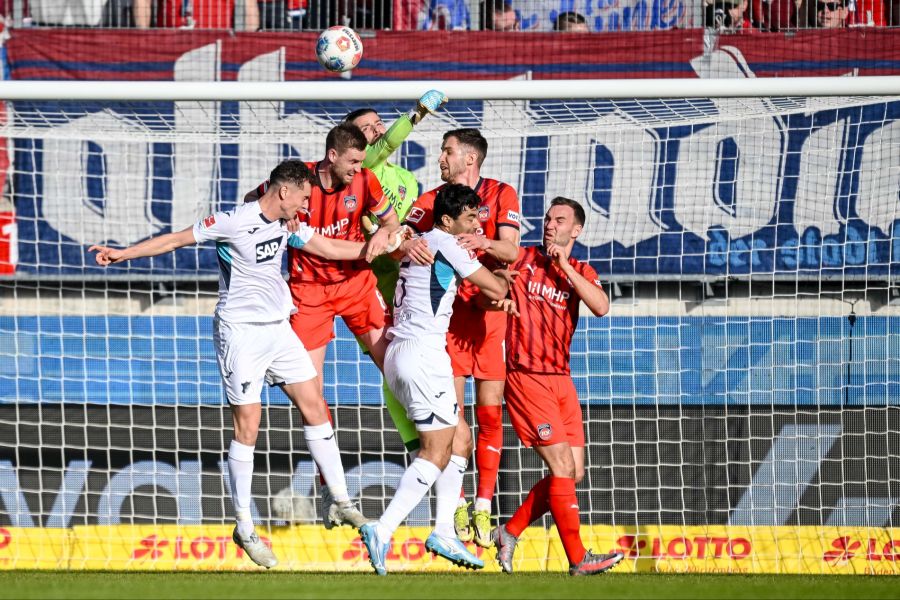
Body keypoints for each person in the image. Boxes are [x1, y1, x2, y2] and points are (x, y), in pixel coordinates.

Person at [89, 160, 385, 569]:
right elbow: (176, 239)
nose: (305, 205)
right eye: (302, 197)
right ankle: (245, 526)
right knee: (249, 424)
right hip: (241, 334)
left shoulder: (289, 225)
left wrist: (380, 247)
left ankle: (339, 500)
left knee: (315, 403)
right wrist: (124, 253)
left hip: (279, 330)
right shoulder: (232, 221)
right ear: (284, 192)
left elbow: (330, 247)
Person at [245, 124, 399, 527]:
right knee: (309, 393)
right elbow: (254, 202)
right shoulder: (300, 184)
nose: (359, 167)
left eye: (361, 161)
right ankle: (331, 488)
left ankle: (428, 451)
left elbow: (392, 223)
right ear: (332, 156)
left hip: (356, 286)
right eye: (353, 160)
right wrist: (281, 218)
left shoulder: (364, 182)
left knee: (399, 367)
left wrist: (385, 232)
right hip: (309, 294)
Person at [359, 184, 509, 575]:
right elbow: (494, 287)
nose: (476, 226)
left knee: (460, 436)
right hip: (423, 353)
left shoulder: (421, 241)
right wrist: (500, 270)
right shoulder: (445, 242)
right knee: (435, 449)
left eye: (479, 218)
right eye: (470, 219)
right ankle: (383, 527)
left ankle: (444, 529)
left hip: (405, 351)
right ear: (447, 220)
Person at [488, 197, 625, 576]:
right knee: (562, 466)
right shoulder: (521, 257)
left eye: (559, 220)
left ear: (576, 230)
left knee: (573, 472)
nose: (550, 225)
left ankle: (509, 530)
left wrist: (565, 266)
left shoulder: (580, 268)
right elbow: (487, 281)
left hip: (562, 379)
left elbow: (601, 306)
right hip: (526, 376)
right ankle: (579, 559)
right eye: (548, 219)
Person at [401, 128, 521, 548]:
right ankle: (456, 503)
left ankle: (484, 508)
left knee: (490, 412)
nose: (440, 158)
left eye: (447, 151)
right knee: (453, 421)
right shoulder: (432, 200)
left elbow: (512, 253)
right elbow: (399, 235)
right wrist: (410, 240)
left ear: (469, 158)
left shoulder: (502, 193)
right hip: (448, 319)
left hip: (488, 314)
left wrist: (482, 240)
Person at [344, 90, 448, 455]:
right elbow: (383, 147)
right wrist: (418, 113)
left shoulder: (406, 178)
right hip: (369, 284)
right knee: (390, 363)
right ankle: (416, 442)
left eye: (378, 124)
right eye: (366, 129)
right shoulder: (362, 171)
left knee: (417, 361)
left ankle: (437, 442)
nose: (376, 131)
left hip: (407, 281)